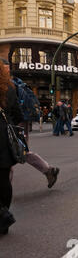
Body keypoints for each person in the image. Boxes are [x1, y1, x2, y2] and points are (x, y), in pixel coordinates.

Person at [1, 59, 59, 189]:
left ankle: (4, 193)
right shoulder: (15, 84)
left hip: (14, 124)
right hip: (18, 123)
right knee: (19, 152)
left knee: (15, 153)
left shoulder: (9, 86)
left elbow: (15, 111)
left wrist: (10, 128)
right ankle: (48, 170)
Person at [0, 60, 24, 235]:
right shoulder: (9, 88)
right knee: (3, 180)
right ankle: (4, 217)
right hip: (2, 137)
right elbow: (18, 114)